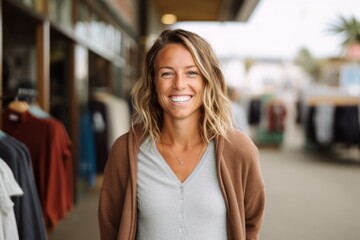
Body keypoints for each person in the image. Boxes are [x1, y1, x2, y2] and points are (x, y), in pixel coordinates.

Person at [98, 29, 265, 240]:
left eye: (191, 72)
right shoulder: (126, 151)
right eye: (167, 73)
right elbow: (110, 226)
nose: (179, 84)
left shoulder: (239, 150)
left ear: (207, 80)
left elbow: (251, 223)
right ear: (153, 82)